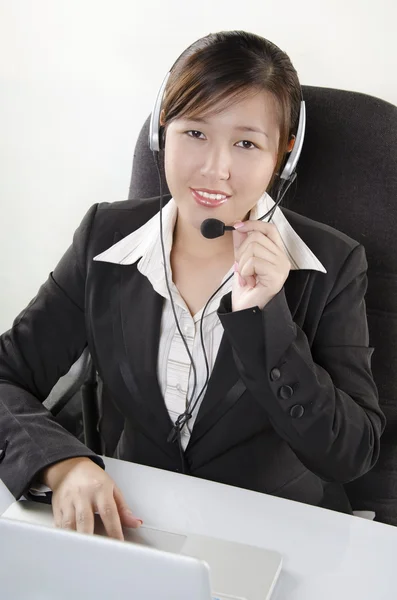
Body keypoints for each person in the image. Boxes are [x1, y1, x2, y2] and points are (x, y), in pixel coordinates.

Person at [0, 30, 385, 540]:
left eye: (246, 143)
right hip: (133, 522)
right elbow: (6, 375)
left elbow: (351, 454)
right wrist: (62, 462)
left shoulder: (331, 266)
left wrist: (265, 317)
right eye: (195, 133)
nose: (214, 168)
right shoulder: (105, 239)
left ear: (284, 157)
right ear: (164, 130)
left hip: (277, 535)